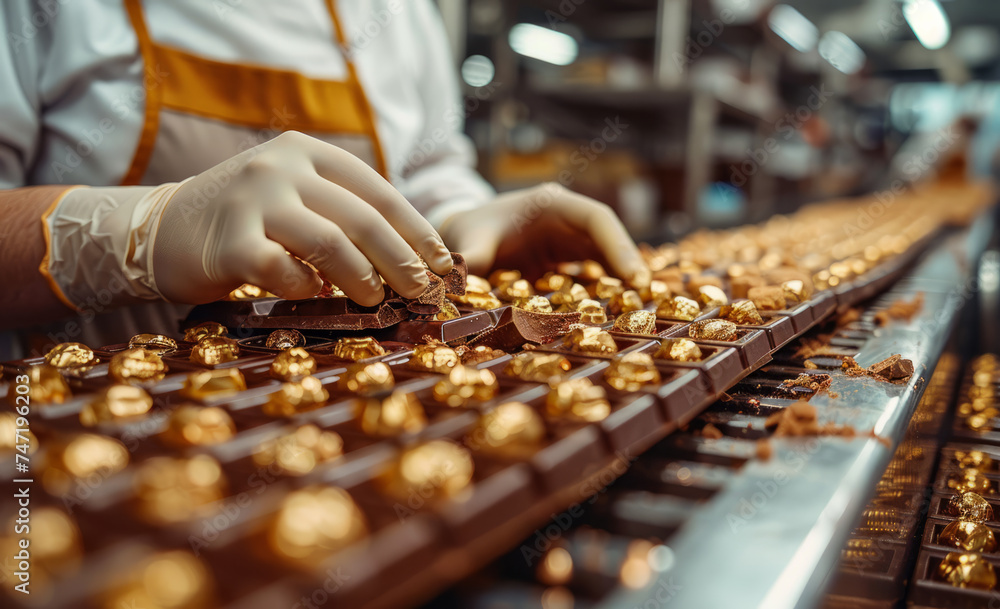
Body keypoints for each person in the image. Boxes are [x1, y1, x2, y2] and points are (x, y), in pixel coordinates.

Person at [0, 0, 646, 357]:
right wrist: (139, 233)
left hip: (371, 424)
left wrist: (456, 220)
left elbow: (425, 174)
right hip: (84, 438)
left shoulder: (393, 13)